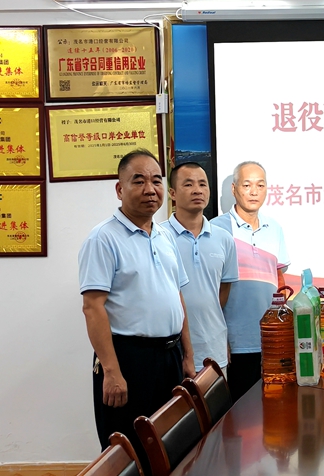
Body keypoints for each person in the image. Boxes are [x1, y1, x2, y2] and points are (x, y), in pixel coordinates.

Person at [78, 149, 195, 464]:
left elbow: (176, 296)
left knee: (171, 447)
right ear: (120, 189)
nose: (150, 189)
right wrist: (112, 371)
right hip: (129, 360)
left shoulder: (165, 236)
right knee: (128, 452)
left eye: (156, 181)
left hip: (170, 357)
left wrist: (188, 355)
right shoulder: (103, 239)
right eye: (139, 181)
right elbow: (92, 307)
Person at [211, 161, 290, 401]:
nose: (254, 191)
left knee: (276, 409)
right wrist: (220, 339)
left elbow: (279, 279)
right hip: (235, 344)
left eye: (260, 185)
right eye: (247, 185)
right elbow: (211, 290)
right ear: (234, 189)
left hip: (271, 341)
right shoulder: (216, 229)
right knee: (241, 415)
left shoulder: (274, 228)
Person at [161, 162, 239, 374]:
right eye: (188, 184)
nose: (197, 190)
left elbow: (222, 291)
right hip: (172, 350)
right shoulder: (158, 237)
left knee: (214, 397)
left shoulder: (224, 239)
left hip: (213, 348)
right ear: (172, 193)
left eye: (202, 184)